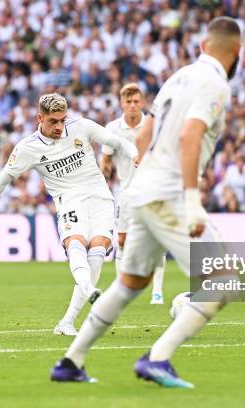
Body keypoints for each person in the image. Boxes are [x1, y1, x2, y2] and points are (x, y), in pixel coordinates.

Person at [51, 16, 241, 388]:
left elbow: (144, 138)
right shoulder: (216, 84)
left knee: (129, 283)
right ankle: (157, 358)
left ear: (203, 46)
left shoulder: (178, 77)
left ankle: (71, 361)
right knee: (224, 281)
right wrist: (191, 200)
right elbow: (190, 137)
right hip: (167, 194)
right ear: (237, 52)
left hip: (139, 191)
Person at [0, 94, 138, 336]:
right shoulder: (28, 148)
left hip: (101, 200)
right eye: (53, 121)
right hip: (70, 202)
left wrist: (133, 151)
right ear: (39, 118)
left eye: (62, 121)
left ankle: (66, 322)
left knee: (97, 253)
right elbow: (1, 181)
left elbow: (115, 141)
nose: (59, 127)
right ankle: (88, 288)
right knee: (76, 244)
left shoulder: (81, 127)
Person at [100, 83, 166, 305]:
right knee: (122, 240)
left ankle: (157, 291)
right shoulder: (112, 129)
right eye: (128, 101)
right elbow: (106, 159)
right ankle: (122, 288)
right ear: (121, 103)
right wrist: (103, 178)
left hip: (152, 189)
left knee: (156, 240)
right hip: (126, 191)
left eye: (136, 101)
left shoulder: (153, 125)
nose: (132, 105)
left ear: (142, 102)